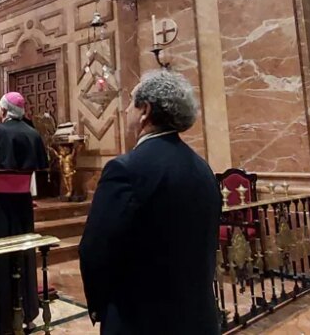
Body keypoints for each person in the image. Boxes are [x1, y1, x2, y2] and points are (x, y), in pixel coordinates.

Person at [79, 70, 221, 334]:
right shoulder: (203, 168)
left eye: (130, 102)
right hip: (198, 316)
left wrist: (100, 305)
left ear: (145, 110)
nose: (124, 111)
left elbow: (95, 250)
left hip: (142, 319)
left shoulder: (125, 169)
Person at [0, 92, 49, 334]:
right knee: (22, 250)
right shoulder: (34, 134)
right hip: (23, 206)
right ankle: (24, 307)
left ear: (4, 111)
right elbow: (43, 176)